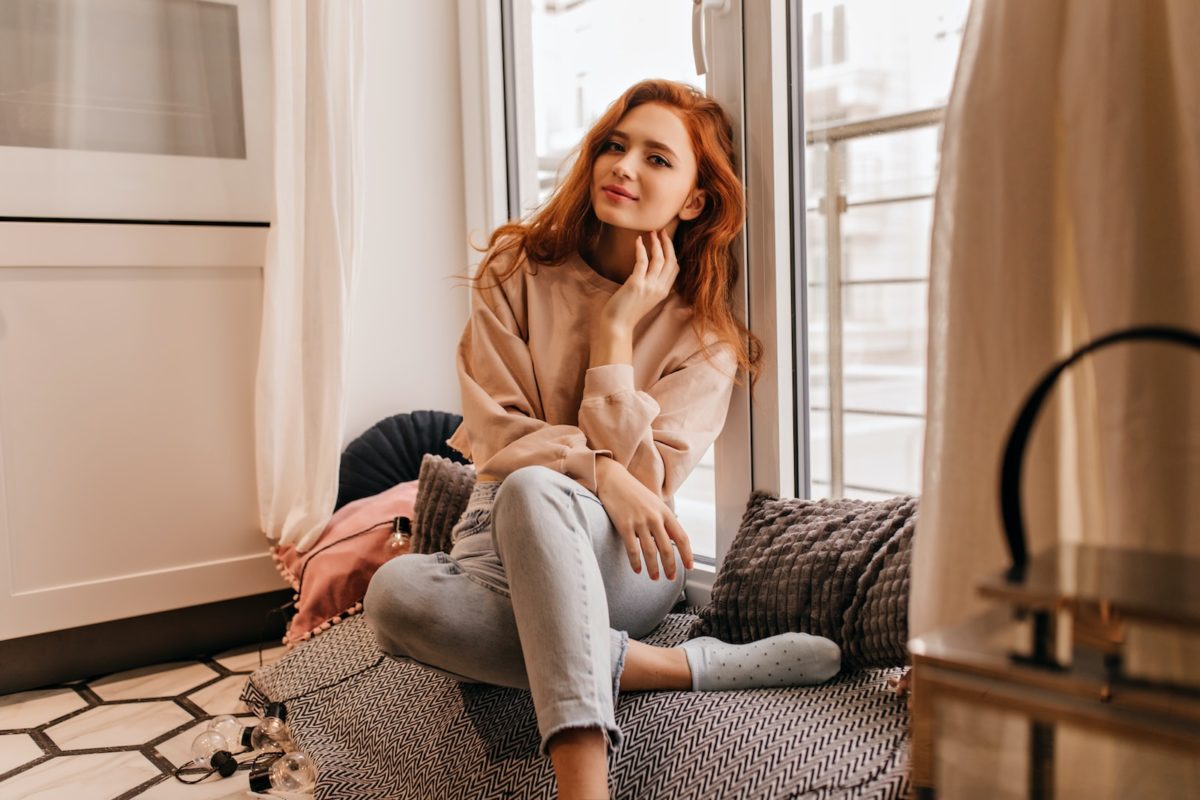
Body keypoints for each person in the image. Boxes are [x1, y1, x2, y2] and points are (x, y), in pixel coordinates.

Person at [364, 79, 840, 799]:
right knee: (394, 594)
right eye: (615, 147)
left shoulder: (706, 338)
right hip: (492, 542)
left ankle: (583, 790)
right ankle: (674, 667)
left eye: (657, 158)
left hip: (627, 556)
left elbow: (644, 489)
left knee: (535, 487)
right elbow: (496, 429)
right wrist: (602, 469)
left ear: (694, 200)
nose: (624, 166)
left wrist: (616, 333)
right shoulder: (515, 271)